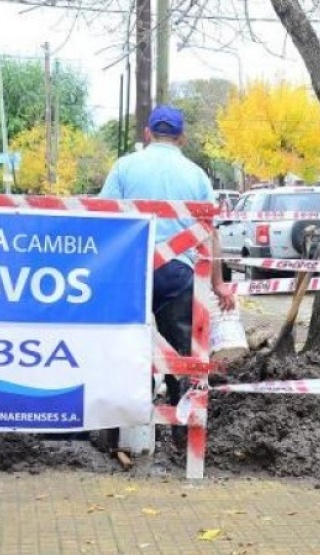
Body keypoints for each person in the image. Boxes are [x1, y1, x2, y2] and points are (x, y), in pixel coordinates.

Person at [100, 105, 236, 432]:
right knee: (181, 353)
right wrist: (218, 284)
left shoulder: (124, 167)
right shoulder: (197, 175)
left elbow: (104, 216)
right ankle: (182, 429)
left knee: (126, 345)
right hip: (179, 273)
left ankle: (122, 425)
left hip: (131, 274)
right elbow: (210, 232)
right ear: (182, 138)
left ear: (147, 133)